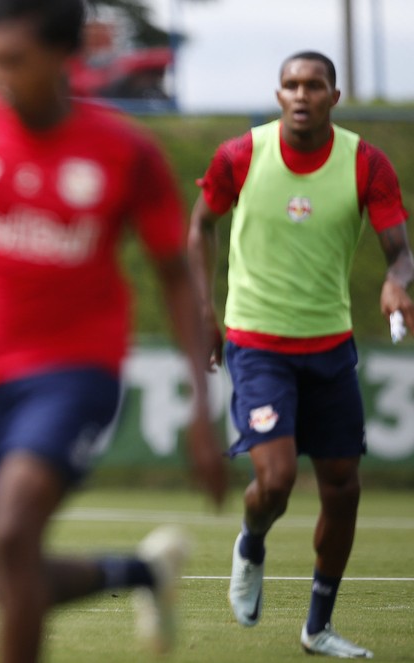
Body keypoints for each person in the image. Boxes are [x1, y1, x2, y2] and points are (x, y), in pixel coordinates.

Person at [0, 1, 228, 662]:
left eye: (15, 60)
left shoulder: (125, 150)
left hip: (79, 370)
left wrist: (202, 407)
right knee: (9, 568)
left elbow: (172, 275)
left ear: (62, 58)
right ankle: (139, 573)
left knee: (12, 528)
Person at [188, 51, 414, 659]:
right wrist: (206, 310)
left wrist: (398, 280)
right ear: (278, 93)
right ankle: (251, 543)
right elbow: (198, 226)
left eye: (314, 85)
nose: (301, 94)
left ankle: (317, 627)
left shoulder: (365, 162)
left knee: (342, 487)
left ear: (333, 97)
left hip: (330, 345)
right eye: (290, 84)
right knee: (278, 479)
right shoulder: (241, 156)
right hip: (257, 342)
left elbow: (400, 249)